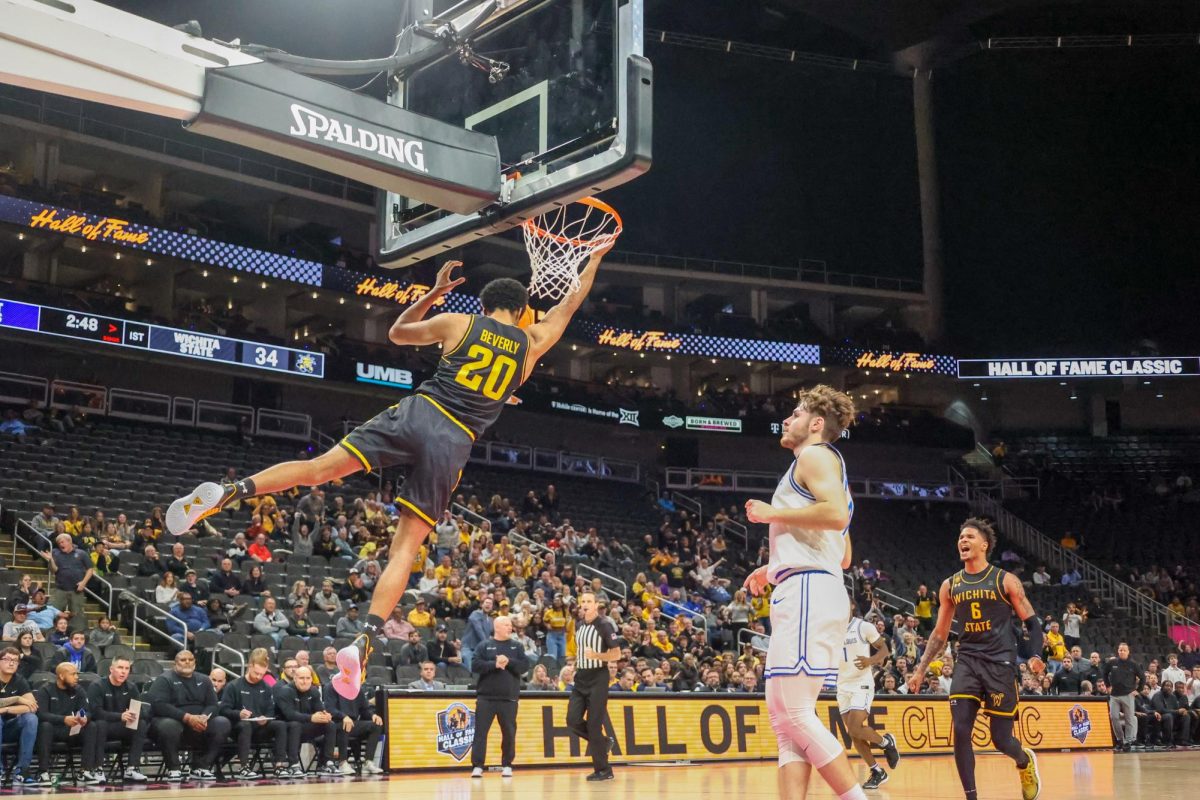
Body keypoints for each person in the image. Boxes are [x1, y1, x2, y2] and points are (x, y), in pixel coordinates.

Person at [167, 252, 613, 697]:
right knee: (405, 548)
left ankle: (231, 490)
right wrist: (593, 258)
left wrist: (434, 294)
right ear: (519, 311)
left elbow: (397, 332)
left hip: (420, 411)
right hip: (454, 440)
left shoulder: (460, 323)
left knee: (319, 468)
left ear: (484, 306)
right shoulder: (531, 343)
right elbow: (570, 302)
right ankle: (364, 639)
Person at [741, 386, 867, 800]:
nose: (787, 420)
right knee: (786, 720)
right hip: (813, 585)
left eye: (795, 413)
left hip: (809, 592)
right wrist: (773, 566)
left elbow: (830, 516)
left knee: (792, 713)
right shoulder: (829, 470)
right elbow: (843, 553)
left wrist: (772, 513)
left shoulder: (815, 455)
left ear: (816, 424)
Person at [907, 518, 1043, 800]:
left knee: (1002, 740)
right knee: (960, 728)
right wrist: (920, 670)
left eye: (969, 536)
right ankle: (971, 796)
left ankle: (1023, 761)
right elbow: (939, 634)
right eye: (960, 538)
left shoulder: (1005, 580)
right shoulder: (950, 585)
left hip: (1000, 664)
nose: (963, 541)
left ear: (984, 544)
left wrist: (1036, 655)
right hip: (967, 661)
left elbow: (1033, 624)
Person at [837, 607, 899, 789]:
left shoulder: (862, 627)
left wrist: (869, 661)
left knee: (855, 728)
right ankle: (877, 771)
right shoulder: (831, 628)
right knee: (854, 734)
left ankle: (886, 743)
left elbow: (884, 650)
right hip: (842, 685)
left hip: (861, 684)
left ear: (852, 607)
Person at [145, 650, 229, 781]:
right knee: (169, 726)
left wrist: (203, 717)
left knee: (222, 723)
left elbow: (213, 705)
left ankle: (202, 766)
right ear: (175, 663)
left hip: (199, 722)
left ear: (195, 662)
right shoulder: (164, 679)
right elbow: (159, 705)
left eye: (190, 659)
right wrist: (187, 717)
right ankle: (173, 769)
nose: (187, 662)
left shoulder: (204, 680)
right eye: (183, 660)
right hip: (171, 721)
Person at [567, 591, 620, 781]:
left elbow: (617, 654)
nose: (586, 604)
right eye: (583, 602)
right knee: (572, 720)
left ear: (596, 604)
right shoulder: (579, 625)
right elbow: (580, 651)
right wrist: (576, 665)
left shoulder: (605, 625)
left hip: (598, 677)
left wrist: (597, 656)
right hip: (581, 677)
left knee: (594, 724)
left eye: (589, 601)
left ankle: (604, 770)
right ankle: (604, 742)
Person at [469, 615, 529, 778]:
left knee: (509, 733)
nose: (510, 627)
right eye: (507, 625)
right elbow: (474, 665)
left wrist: (508, 661)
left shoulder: (517, 646)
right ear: (497, 627)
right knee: (480, 733)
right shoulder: (484, 645)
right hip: (485, 698)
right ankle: (477, 766)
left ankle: (508, 764)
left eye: (510, 625)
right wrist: (494, 665)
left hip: (509, 698)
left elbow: (524, 666)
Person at [219, 649, 292, 779]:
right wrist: (238, 714)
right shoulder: (233, 686)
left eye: (261, 674)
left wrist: (266, 718)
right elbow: (224, 709)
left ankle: (279, 766)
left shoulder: (266, 687)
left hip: (259, 728)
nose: (258, 676)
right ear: (250, 666)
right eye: (256, 673)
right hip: (238, 728)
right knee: (245, 725)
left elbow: (270, 710)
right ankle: (244, 767)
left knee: (280, 725)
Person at [35, 662, 104, 785]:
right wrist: (63, 719)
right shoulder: (45, 690)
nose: (77, 677)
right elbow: (41, 714)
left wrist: (84, 718)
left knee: (91, 726)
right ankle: (43, 772)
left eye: (77, 674)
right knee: (45, 726)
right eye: (73, 674)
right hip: (53, 730)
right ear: (61, 676)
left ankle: (85, 771)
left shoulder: (78, 690)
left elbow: (87, 711)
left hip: (72, 730)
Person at [87, 656, 150, 782]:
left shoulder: (131, 687)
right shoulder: (97, 686)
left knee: (140, 724)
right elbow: (95, 712)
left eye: (127, 668)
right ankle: (97, 768)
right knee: (100, 724)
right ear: (111, 669)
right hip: (103, 726)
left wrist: (133, 714)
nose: (123, 671)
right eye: (120, 668)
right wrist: (120, 716)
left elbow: (140, 711)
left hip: (121, 727)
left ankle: (132, 768)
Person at [274, 666, 338, 776]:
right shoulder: (285, 691)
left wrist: (325, 715)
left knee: (330, 725)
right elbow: (289, 715)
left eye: (308, 678)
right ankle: (293, 765)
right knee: (295, 725)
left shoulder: (314, 691)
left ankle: (327, 763)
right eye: (301, 678)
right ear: (295, 678)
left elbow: (319, 709)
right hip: (286, 729)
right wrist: (311, 718)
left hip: (306, 727)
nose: (305, 681)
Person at [322, 670, 385, 775]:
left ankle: (368, 762)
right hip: (334, 724)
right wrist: (343, 716)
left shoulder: (356, 688)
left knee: (376, 725)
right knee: (345, 725)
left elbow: (365, 709)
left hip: (353, 723)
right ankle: (342, 762)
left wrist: (373, 715)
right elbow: (329, 708)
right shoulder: (330, 687)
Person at [0, 646, 41, 786]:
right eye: (7, 659)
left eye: (15, 661)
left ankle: (22, 771)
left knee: (31, 718)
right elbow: (23, 703)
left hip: (10, 728)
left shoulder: (19, 680)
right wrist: (17, 698)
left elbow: (32, 706)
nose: (11, 663)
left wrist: (6, 709)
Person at [40, 534, 93, 632]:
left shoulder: (81, 553)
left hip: (76, 590)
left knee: (78, 615)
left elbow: (90, 569)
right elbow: (54, 570)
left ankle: (77, 636)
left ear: (69, 542)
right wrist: (50, 559)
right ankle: (51, 634)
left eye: (62, 542)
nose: (60, 544)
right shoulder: (55, 553)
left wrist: (83, 582)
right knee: (52, 611)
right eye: (59, 543)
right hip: (60, 589)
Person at [1103, 642, 1142, 752]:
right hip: (1114, 695)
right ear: (1118, 651)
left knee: (1129, 719)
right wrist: (1108, 685)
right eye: (1120, 650)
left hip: (1128, 694)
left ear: (1128, 652)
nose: (1122, 652)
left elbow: (1142, 678)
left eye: (1124, 650)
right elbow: (1105, 673)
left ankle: (1128, 741)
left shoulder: (1133, 664)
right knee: (1114, 717)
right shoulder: (1112, 662)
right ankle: (1120, 739)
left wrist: (1137, 690)